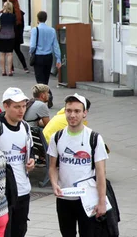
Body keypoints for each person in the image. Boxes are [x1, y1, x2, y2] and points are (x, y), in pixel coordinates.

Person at [47, 94, 108, 237]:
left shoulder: (94, 138)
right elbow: (52, 167)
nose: (72, 115)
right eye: (69, 111)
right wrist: (54, 183)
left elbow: (101, 173)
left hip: (87, 200)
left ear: (84, 113)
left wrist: (102, 201)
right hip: (64, 199)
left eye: (77, 111)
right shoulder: (57, 137)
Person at [0, 87, 35, 237]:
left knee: (20, 231)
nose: (21, 111)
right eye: (17, 107)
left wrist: (31, 161)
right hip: (2, 193)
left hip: (23, 190)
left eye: (24, 106)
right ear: (5, 106)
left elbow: (29, 151)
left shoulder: (25, 126)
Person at [29, 11, 62, 86]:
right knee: (46, 79)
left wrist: (31, 52)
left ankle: (44, 95)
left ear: (38, 19)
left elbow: (33, 46)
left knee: (39, 80)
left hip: (38, 57)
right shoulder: (52, 30)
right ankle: (46, 94)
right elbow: (56, 46)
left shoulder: (35, 30)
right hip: (48, 57)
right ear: (46, 19)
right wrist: (58, 58)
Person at [0, 1, 16, 76]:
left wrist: (3, 9)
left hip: (1, 36)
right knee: (10, 54)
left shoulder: (0, 15)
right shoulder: (13, 16)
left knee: (2, 54)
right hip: (10, 36)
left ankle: (3, 71)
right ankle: (10, 71)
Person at [9, 0, 28, 73]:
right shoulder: (20, 13)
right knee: (18, 51)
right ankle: (25, 67)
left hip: (9, 36)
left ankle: (11, 68)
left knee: (9, 53)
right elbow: (22, 26)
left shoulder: (8, 14)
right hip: (17, 36)